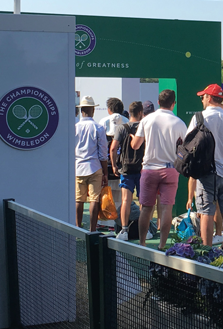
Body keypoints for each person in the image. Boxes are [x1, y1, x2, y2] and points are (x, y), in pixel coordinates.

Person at [131, 89, 187, 250]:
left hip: (149, 168)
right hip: (170, 169)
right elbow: (185, 148)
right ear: (173, 103)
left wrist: (133, 139)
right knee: (166, 208)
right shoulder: (179, 123)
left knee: (146, 208)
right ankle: (162, 245)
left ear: (158, 102)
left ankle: (142, 242)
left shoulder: (147, 120)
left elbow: (135, 145)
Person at [185, 84, 223, 248]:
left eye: (203, 97)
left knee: (206, 212)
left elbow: (188, 143)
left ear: (209, 98)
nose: (202, 100)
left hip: (207, 172)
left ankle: (206, 250)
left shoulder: (200, 117)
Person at [75, 96, 110, 232]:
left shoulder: (75, 127)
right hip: (94, 166)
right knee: (94, 199)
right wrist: (105, 172)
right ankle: (92, 229)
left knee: (79, 199)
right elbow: (103, 152)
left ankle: (78, 227)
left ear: (81, 110)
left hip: (78, 166)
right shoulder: (98, 127)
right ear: (93, 110)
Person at [112, 101, 145, 241]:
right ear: (140, 113)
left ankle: (124, 230)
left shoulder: (122, 128)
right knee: (144, 201)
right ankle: (145, 230)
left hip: (126, 169)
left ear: (129, 112)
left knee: (125, 200)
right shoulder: (144, 127)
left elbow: (113, 148)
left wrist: (114, 165)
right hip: (142, 168)